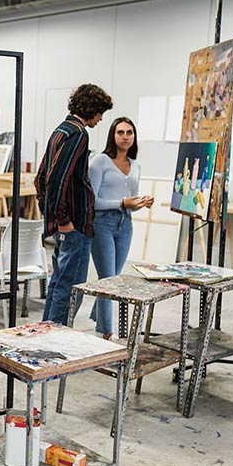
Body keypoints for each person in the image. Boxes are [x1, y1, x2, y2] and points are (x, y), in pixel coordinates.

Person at [36, 83, 113, 326]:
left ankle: (46, 332)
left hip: (65, 226)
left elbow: (40, 179)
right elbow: (57, 180)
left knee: (58, 282)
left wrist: (49, 216)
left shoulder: (60, 130)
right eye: (100, 112)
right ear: (92, 109)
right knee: (69, 288)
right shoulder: (78, 133)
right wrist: (63, 221)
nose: (101, 118)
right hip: (75, 226)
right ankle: (55, 341)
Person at [88, 117, 154, 339]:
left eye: (129, 133)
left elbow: (129, 204)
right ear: (113, 136)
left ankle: (99, 317)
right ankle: (105, 332)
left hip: (125, 223)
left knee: (114, 278)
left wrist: (139, 203)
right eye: (121, 132)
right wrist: (122, 203)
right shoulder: (100, 162)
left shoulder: (136, 166)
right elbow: (92, 202)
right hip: (102, 224)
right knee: (108, 281)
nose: (126, 137)